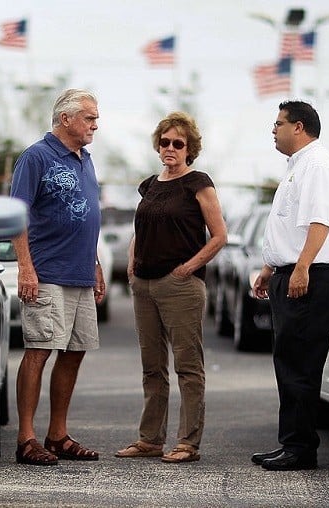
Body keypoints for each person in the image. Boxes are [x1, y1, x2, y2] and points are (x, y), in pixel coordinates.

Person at [115, 111, 227, 464]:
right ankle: (150, 439)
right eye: (165, 142)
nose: (170, 148)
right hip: (144, 284)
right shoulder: (150, 185)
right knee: (152, 366)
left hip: (180, 286)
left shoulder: (198, 183)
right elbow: (142, 228)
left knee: (188, 367)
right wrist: (132, 263)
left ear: (189, 149)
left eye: (178, 144)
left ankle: (188, 443)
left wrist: (188, 268)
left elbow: (219, 236)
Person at [250, 100, 329, 471]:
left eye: (278, 123)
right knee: (288, 361)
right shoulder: (298, 166)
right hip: (291, 272)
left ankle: (300, 449)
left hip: (310, 276)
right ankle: (291, 443)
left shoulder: (318, 165)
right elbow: (289, 225)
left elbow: (320, 222)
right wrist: (269, 268)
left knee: (300, 365)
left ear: (299, 126)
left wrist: (302, 266)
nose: (273, 130)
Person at [10, 89, 106, 466]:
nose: (95, 125)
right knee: (39, 349)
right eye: (89, 118)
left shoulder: (86, 159)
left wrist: (95, 263)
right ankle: (26, 438)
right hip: (47, 272)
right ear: (65, 119)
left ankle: (57, 435)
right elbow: (17, 214)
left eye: (95, 118)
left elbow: (87, 216)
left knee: (75, 351)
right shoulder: (36, 157)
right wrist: (25, 267)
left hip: (80, 273)